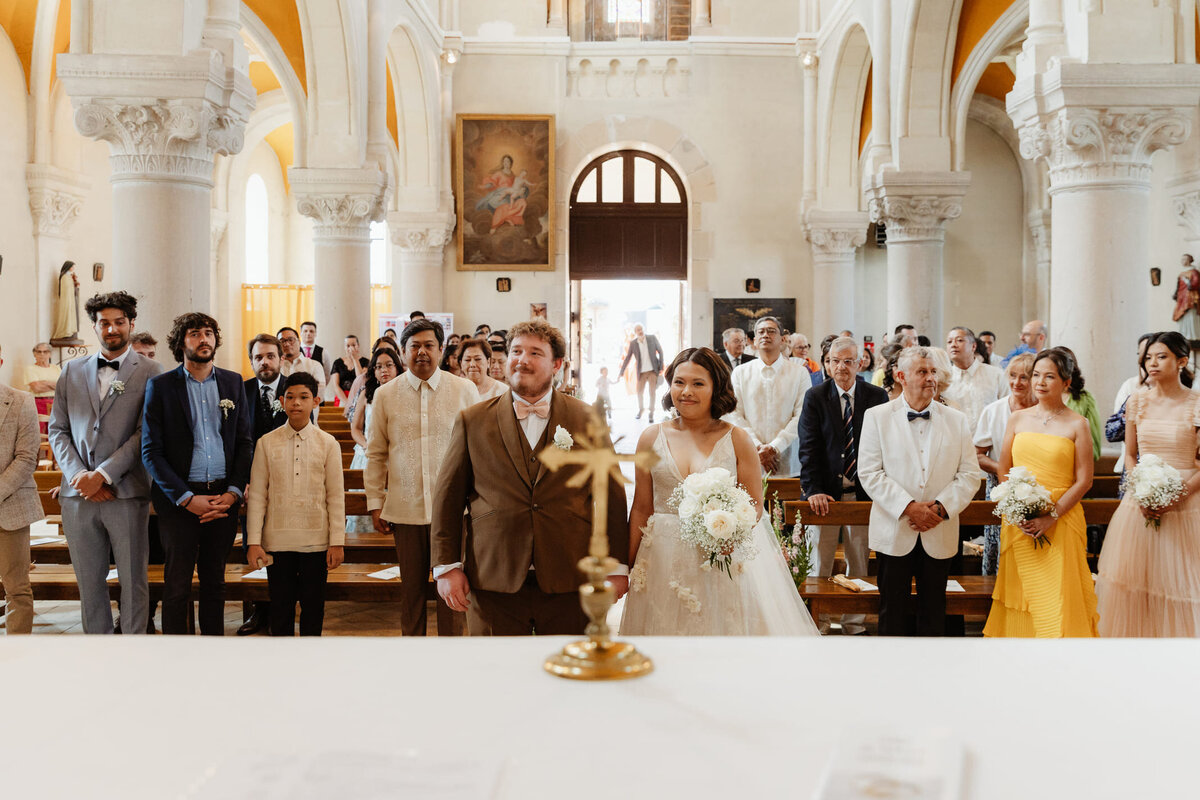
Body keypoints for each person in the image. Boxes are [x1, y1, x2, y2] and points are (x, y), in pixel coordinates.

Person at [431, 320, 629, 636]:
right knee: (496, 664)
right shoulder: (473, 420)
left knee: (567, 661)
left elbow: (610, 497)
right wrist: (447, 566)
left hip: (571, 574)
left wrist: (616, 566)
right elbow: (448, 498)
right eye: (516, 351)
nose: (522, 360)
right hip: (493, 575)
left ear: (557, 364)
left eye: (535, 353)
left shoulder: (588, 418)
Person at [620, 348, 819, 636]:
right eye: (679, 382)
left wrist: (728, 534)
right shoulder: (651, 438)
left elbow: (753, 504)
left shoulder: (737, 439)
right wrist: (626, 565)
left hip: (719, 556)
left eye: (698, 383)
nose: (686, 391)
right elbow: (641, 507)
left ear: (716, 388)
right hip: (661, 557)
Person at [48, 291, 163, 635]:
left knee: (133, 579)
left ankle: (132, 647)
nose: (112, 329)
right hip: (78, 496)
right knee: (89, 581)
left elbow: (145, 432)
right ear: (95, 326)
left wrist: (103, 474)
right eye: (104, 323)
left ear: (131, 324)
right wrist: (79, 475)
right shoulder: (71, 370)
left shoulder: (151, 371)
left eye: (119, 322)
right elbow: (58, 429)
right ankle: (97, 650)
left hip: (124, 492)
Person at [858, 347, 983, 636]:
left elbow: (969, 474)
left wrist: (939, 508)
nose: (931, 378)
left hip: (939, 528)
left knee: (934, 613)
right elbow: (869, 472)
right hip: (894, 529)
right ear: (900, 376)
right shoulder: (877, 417)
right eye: (922, 372)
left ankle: (933, 664)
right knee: (892, 613)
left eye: (933, 371)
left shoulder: (956, 419)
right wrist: (909, 507)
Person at [142, 312, 252, 635]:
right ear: (181, 343)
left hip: (222, 498)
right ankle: (177, 653)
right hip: (179, 500)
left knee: (215, 582)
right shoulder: (161, 386)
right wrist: (187, 499)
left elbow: (244, 443)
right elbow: (151, 451)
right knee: (177, 584)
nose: (203, 339)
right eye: (194, 333)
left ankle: (213, 650)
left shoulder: (232, 382)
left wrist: (232, 493)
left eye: (208, 333)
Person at [365, 319, 478, 636]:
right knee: (411, 594)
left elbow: (480, 448)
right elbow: (376, 453)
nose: (422, 352)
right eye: (414, 346)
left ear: (442, 350)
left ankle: (451, 655)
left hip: (455, 511)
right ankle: (413, 654)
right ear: (403, 352)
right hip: (407, 511)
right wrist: (375, 501)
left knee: (453, 594)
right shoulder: (386, 395)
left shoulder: (464, 390)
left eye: (429, 345)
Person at [983, 347, 1098, 638]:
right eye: (1036, 375)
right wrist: (1016, 507)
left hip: (1062, 519)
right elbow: (1004, 468)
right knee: (1020, 591)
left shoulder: (1078, 424)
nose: (1040, 382)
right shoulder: (1017, 419)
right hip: (1019, 522)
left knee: (1058, 594)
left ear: (1066, 382)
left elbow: (1084, 480)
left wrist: (1051, 516)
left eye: (1049, 376)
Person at [1097, 331, 1200, 637]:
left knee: (1182, 582)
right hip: (1141, 500)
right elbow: (1130, 454)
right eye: (1148, 358)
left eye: (1162, 357)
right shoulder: (1137, 401)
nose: (1152, 363)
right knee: (1137, 584)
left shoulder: (1196, 404)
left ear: (1182, 361)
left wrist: (1177, 496)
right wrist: (1141, 489)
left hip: (1187, 501)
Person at [797, 337, 888, 633]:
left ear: (859, 363)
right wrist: (813, 490)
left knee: (859, 561)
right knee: (819, 562)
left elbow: (884, 447)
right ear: (828, 363)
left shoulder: (876, 396)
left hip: (863, 494)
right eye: (835, 361)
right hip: (824, 495)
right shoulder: (815, 396)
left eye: (848, 361)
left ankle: (854, 622)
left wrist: (879, 491)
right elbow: (808, 448)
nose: (841, 367)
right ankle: (819, 622)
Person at [246, 372, 345, 636]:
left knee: (313, 610)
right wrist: (254, 541)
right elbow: (257, 496)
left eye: (304, 397)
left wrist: (337, 541)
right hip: (277, 543)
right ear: (281, 401)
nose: (296, 403)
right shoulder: (266, 443)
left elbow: (336, 496)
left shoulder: (328, 444)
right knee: (280, 610)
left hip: (316, 542)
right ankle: (283, 660)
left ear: (316, 401)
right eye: (290, 397)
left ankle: (310, 659)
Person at [237, 333, 289, 636]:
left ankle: (281, 610)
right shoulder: (239, 390)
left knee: (283, 550)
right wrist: (242, 482)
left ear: (281, 358)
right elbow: (235, 441)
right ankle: (259, 611)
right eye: (258, 357)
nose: (265, 362)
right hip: (250, 485)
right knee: (254, 546)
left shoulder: (293, 388)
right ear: (251, 361)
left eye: (270, 356)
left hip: (287, 482)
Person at [974, 354, 1036, 575]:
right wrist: (1002, 469)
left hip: (1037, 487)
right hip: (1000, 486)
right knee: (1001, 548)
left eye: (1024, 377)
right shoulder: (994, 411)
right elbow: (978, 454)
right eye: (1012, 376)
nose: (1016, 382)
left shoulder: (1043, 410)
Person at [726, 316, 811, 477]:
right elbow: (734, 414)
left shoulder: (799, 373)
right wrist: (757, 446)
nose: (766, 335)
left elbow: (802, 415)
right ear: (754, 341)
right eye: (761, 332)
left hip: (788, 462)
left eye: (771, 331)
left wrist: (775, 447)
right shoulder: (740, 372)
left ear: (782, 339)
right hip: (750, 457)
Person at [0, 345, 42, 634]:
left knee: (17, 588)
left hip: (10, 507)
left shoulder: (20, 401)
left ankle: (19, 653)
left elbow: (27, 458)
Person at [347, 348, 400, 534]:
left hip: (396, 455)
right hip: (369, 453)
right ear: (373, 371)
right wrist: (366, 445)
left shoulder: (404, 393)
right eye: (378, 367)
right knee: (366, 505)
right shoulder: (367, 393)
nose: (384, 370)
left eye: (388, 365)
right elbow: (355, 428)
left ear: (397, 367)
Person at [942, 327, 1008, 434]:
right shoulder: (944, 379)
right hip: (955, 439)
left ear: (973, 346)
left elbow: (1007, 408)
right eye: (949, 342)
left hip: (990, 440)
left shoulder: (996, 374)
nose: (953, 345)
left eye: (959, 340)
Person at [1110, 334, 1153, 476]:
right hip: (1133, 464)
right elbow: (1113, 431)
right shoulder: (1130, 386)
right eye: (1142, 355)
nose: (1147, 361)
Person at [618, 323, 665, 422]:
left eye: (641, 329)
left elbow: (660, 351)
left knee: (652, 392)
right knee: (639, 392)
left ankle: (651, 413)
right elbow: (627, 358)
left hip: (652, 370)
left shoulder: (652, 338)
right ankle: (641, 409)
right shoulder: (633, 343)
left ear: (644, 329)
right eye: (638, 330)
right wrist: (621, 372)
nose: (640, 331)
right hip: (641, 372)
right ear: (635, 332)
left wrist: (661, 366)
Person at [276, 327, 326, 403]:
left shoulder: (314, 365)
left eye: (290, 340)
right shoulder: (275, 367)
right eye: (282, 341)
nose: (286, 344)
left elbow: (319, 393)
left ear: (299, 342)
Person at [23, 342, 60, 433]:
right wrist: (54, 385)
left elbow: (62, 386)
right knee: (38, 430)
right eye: (39, 352)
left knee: (54, 430)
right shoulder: (30, 368)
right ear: (34, 354)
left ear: (50, 354)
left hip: (55, 402)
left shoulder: (56, 368)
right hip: (38, 402)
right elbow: (37, 388)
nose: (42, 354)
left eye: (45, 352)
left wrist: (45, 382)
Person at [459, 337, 506, 402]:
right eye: (467, 360)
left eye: (477, 359)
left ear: (488, 362)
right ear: (461, 363)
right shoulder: (455, 389)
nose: (472, 364)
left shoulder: (503, 391)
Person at [330, 335, 368, 407]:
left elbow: (360, 379)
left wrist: (355, 359)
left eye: (353, 345)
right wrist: (347, 402)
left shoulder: (365, 362)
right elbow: (335, 385)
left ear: (358, 346)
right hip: (342, 397)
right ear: (344, 347)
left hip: (359, 396)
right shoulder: (337, 362)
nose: (351, 348)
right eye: (348, 346)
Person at [1172, 254, 1200, 345]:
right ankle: (1183, 335)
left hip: (1190, 298)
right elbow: (1179, 285)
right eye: (1182, 259)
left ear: (1189, 260)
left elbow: (1196, 283)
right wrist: (1176, 294)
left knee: (1190, 315)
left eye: (1184, 259)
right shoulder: (1182, 273)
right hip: (1182, 298)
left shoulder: (1194, 272)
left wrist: (1188, 282)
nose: (1182, 261)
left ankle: (1192, 336)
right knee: (1182, 316)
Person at [51, 261, 80, 343]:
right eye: (72, 267)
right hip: (66, 300)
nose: (73, 268)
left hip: (70, 300)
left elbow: (71, 288)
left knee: (70, 315)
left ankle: (69, 331)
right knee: (66, 315)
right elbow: (65, 289)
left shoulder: (69, 277)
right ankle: (64, 332)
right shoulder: (64, 277)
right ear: (68, 267)